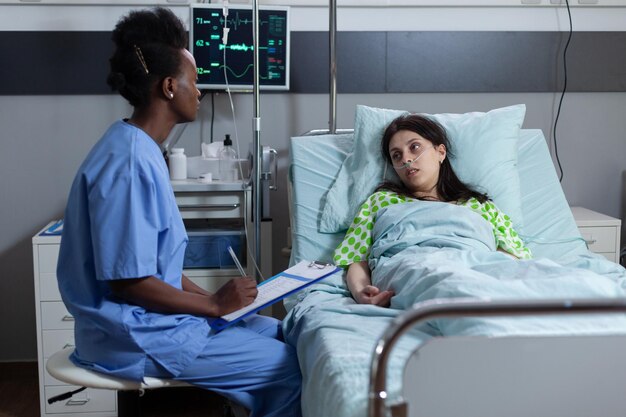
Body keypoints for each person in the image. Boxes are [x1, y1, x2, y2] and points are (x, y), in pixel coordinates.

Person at [56, 8, 301, 417]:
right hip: (131, 333)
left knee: (286, 334)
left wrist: (214, 300)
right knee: (290, 368)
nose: (200, 92)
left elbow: (154, 266)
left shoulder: (140, 148)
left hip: (152, 320)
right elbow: (129, 282)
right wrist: (212, 307)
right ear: (170, 87)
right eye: (195, 81)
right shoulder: (130, 162)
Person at [333, 114, 532, 307]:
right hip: (410, 269)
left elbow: (513, 257)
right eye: (397, 155)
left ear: (440, 152)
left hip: (473, 269)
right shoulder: (381, 201)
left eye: (414, 147)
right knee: (446, 283)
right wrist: (361, 293)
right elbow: (356, 259)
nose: (406, 159)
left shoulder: (480, 205)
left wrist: (487, 273)